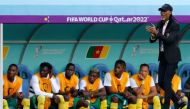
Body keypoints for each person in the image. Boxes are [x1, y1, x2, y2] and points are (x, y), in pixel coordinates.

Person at [146, 3, 186, 109]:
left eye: (164, 11)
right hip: (163, 56)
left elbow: (169, 40)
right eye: (161, 11)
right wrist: (153, 35)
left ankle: (166, 106)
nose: (162, 13)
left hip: (173, 57)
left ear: (170, 12)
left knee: (167, 81)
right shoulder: (159, 23)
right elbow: (152, 40)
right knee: (161, 82)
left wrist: (157, 33)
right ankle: (178, 101)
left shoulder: (175, 24)